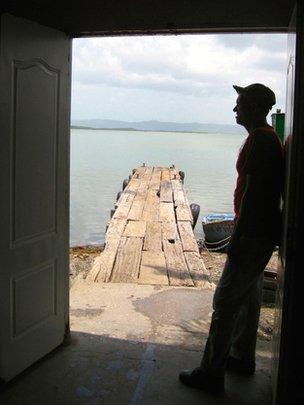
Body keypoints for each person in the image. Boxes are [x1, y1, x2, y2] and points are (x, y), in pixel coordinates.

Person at [179, 83, 284, 394]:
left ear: (253, 107)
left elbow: (252, 194)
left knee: (224, 302)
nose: (235, 110)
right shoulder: (266, 138)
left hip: (252, 232)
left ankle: (210, 373)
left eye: (239, 104)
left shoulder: (259, 140)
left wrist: (236, 236)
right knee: (249, 298)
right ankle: (241, 357)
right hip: (262, 231)